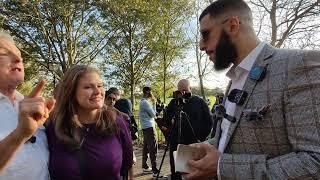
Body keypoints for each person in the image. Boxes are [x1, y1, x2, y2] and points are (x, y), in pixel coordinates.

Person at [183, 0, 320, 179]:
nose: (201, 45)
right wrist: (206, 149)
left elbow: (314, 162)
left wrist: (221, 168)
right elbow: (231, 139)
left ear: (232, 26)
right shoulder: (235, 80)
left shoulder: (298, 65)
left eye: (205, 34)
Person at [46, 65, 133, 180]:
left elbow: (127, 163)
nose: (98, 91)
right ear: (71, 92)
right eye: (88, 87)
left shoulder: (116, 123)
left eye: (100, 86)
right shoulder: (55, 126)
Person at [0, 31, 55, 180]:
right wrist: (19, 135)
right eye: (5, 54)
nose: (18, 59)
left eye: (20, 56)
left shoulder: (30, 105)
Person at [162, 79, 213, 180]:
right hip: (176, 144)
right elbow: (165, 120)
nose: (183, 93)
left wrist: (200, 138)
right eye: (180, 91)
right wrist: (170, 121)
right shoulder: (173, 102)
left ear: (191, 89)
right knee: (177, 173)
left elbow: (209, 122)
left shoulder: (199, 102)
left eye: (185, 90)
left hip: (193, 144)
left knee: (192, 174)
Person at [139, 86, 165, 178]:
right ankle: (155, 170)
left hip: (145, 127)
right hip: (150, 127)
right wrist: (154, 103)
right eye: (150, 92)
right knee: (153, 148)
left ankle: (145, 166)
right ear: (148, 92)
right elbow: (154, 114)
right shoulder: (145, 103)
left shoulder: (142, 102)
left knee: (146, 147)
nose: (151, 94)